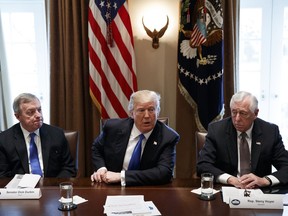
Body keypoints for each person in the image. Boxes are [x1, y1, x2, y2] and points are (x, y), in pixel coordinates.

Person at [197, 91, 288, 189]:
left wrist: (265, 180)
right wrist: (230, 179)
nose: (237, 119)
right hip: (228, 189)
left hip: (259, 193)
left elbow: (286, 166)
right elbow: (203, 165)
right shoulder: (217, 130)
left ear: (255, 113)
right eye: (234, 112)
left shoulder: (270, 132)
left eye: (243, 113)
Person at [90, 90, 180, 186]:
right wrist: (101, 168)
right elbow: (96, 149)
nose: (147, 116)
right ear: (131, 113)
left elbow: (164, 173)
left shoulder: (168, 137)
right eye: (141, 110)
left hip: (149, 189)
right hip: (112, 187)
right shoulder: (113, 128)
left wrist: (121, 176)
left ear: (158, 111)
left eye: (151, 109)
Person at [0, 93, 76, 178]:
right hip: (20, 189)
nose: (38, 115)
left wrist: (52, 187)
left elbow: (69, 168)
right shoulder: (4, 140)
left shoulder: (56, 134)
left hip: (51, 187)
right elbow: (3, 175)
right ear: (18, 116)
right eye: (30, 112)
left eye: (39, 110)